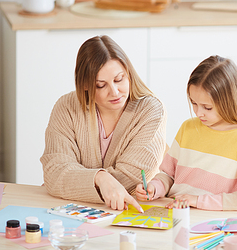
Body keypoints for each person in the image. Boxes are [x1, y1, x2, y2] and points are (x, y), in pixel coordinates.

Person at [41, 35, 167, 212]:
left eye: (119, 79)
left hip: (128, 211)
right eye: (101, 85)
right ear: (85, 85)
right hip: (71, 211)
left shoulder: (150, 110)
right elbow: (54, 173)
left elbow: (133, 178)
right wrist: (101, 178)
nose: (115, 92)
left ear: (128, 73)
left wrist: (77, 181)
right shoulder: (66, 107)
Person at [136, 55, 237, 210]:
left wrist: (197, 200)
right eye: (194, 103)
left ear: (232, 99)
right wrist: (155, 187)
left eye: (207, 107)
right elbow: (168, 175)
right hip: (174, 212)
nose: (198, 113)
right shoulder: (188, 128)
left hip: (213, 221)